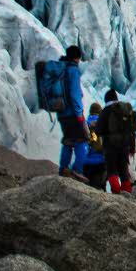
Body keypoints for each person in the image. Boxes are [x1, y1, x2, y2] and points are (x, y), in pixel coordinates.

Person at [56, 46, 90, 183]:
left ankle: (63, 168)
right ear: (77, 58)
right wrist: (79, 114)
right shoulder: (73, 71)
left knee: (68, 140)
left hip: (61, 113)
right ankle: (77, 170)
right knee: (82, 140)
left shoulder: (60, 70)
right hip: (72, 114)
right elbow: (75, 94)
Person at [99, 90, 136, 194]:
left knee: (112, 170)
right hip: (125, 146)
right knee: (124, 170)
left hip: (110, 146)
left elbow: (98, 130)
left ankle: (116, 192)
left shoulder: (105, 111)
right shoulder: (124, 110)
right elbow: (132, 129)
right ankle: (127, 192)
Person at [83, 102, 107, 191]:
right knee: (99, 189)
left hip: (85, 162)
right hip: (100, 162)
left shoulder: (85, 124)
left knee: (85, 189)